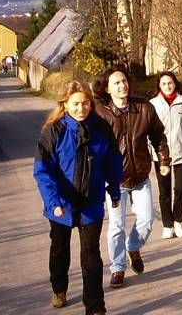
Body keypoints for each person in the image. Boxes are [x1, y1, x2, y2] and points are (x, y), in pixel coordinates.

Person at [34, 80, 123, 314]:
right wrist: (53, 202)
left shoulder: (101, 128)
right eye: (75, 104)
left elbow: (113, 161)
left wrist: (114, 189)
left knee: (91, 255)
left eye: (85, 103)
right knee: (59, 249)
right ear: (65, 104)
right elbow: (43, 171)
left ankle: (95, 307)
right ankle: (59, 288)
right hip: (61, 204)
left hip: (91, 202)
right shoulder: (53, 131)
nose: (80, 108)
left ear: (91, 104)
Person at [96, 67, 171, 289]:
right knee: (116, 226)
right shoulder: (101, 113)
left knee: (147, 219)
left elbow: (158, 136)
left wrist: (164, 160)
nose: (122, 86)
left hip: (140, 177)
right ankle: (118, 268)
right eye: (116, 83)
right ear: (107, 89)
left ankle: (133, 246)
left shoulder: (144, 107)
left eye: (124, 81)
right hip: (115, 181)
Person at [149, 71, 182, 239]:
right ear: (159, 86)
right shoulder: (153, 104)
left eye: (170, 83)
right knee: (164, 191)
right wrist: (150, 151)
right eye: (164, 84)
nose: (167, 86)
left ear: (175, 83)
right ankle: (167, 224)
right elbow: (148, 131)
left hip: (181, 152)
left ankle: (178, 220)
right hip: (161, 156)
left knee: (180, 189)